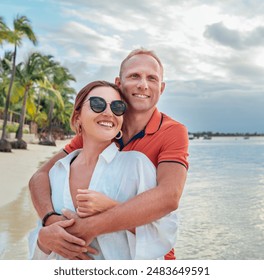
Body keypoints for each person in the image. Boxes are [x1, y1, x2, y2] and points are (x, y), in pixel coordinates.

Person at [29, 48, 189, 260]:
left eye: (152, 78)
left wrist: (86, 228)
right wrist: (50, 221)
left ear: (162, 88)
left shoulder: (171, 132)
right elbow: (41, 176)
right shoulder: (100, 130)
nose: (143, 84)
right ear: (118, 83)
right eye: (134, 76)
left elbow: (169, 197)